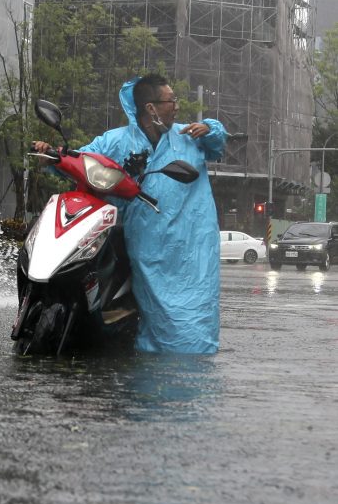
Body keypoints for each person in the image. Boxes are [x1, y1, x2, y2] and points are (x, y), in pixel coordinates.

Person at [33, 74, 228, 354]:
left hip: (193, 244)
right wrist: (52, 155)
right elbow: (82, 158)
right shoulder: (118, 140)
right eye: (171, 100)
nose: (176, 106)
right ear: (151, 108)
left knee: (196, 316)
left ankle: (193, 360)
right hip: (148, 242)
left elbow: (218, 143)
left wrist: (210, 128)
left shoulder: (190, 137)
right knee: (156, 313)